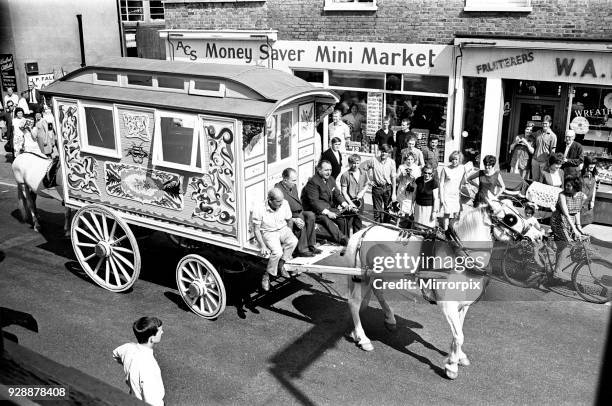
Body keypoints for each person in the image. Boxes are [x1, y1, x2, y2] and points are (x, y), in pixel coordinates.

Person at [113, 316, 165, 406]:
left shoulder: (128, 348)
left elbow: (115, 354)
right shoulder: (149, 367)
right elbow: (153, 401)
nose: (162, 332)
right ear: (151, 339)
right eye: (160, 331)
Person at [252, 188, 297, 291]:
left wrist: (289, 233)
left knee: (293, 241)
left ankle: (281, 265)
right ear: (270, 200)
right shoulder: (259, 208)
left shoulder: (284, 203)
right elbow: (257, 230)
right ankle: (267, 275)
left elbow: (289, 220)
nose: (281, 204)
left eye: (282, 200)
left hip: (282, 228)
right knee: (277, 252)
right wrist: (263, 245)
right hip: (269, 232)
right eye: (278, 202)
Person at [301, 160, 350, 245]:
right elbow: (314, 202)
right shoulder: (313, 182)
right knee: (325, 219)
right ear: (319, 170)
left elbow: (337, 194)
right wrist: (328, 213)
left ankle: (345, 239)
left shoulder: (331, 179)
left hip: (327, 208)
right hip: (315, 211)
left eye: (330, 170)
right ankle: (341, 239)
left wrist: (345, 204)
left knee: (342, 218)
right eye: (326, 170)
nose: (329, 172)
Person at [275, 168, 320, 257]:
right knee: (301, 219)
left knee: (310, 215)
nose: (295, 182)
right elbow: (278, 212)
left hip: (299, 212)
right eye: (293, 180)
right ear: (285, 180)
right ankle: (302, 249)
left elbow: (298, 202)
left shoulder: (293, 186)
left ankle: (311, 244)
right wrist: (294, 219)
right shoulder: (278, 190)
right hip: (289, 216)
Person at [550, 176, 587, 279]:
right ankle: (557, 271)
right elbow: (566, 213)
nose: (566, 186)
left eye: (569, 185)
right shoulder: (562, 195)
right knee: (567, 243)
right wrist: (574, 229)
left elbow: (577, 211)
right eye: (566, 184)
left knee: (562, 246)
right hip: (558, 221)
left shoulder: (582, 196)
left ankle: (555, 270)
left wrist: (579, 227)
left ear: (575, 186)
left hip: (570, 222)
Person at [363, 144, 397, 223]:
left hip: (387, 187)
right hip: (377, 188)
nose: (383, 153)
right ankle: (377, 225)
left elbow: (393, 178)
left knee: (387, 210)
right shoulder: (374, 160)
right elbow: (364, 168)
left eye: (385, 152)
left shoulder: (392, 162)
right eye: (382, 151)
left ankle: (385, 226)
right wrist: (368, 181)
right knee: (377, 211)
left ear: (388, 153)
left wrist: (394, 193)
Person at [340, 154, 368, 234]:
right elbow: (344, 192)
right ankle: (347, 241)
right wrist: (351, 204)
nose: (355, 165)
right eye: (353, 163)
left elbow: (366, 184)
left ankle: (356, 240)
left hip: (360, 201)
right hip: (349, 202)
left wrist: (362, 193)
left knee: (358, 222)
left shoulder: (363, 173)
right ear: (349, 163)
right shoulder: (345, 175)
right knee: (348, 223)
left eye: (357, 163)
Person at [439, 151, 466, 230]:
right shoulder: (445, 169)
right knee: (447, 213)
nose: (454, 161)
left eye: (456, 159)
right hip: (446, 194)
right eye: (453, 159)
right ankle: (446, 230)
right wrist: (441, 197)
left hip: (456, 194)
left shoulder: (462, 168)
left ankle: (454, 230)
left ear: (459, 160)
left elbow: (464, 180)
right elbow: (441, 183)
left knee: (456, 214)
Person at [409, 163, 439, 228]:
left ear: (432, 173)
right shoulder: (418, 180)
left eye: (429, 173)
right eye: (425, 172)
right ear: (423, 172)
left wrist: (434, 212)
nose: (427, 175)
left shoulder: (434, 183)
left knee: (427, 227)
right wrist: (411, 206)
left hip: (428, 209)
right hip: (418, 207)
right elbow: (414, 193)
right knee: (417, 226)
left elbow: (436, 199)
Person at [523, 203, 546, 268]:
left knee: (538, 247)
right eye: (526, 212)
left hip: (533, 235)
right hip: (527, 235)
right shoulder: (523, 219)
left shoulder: (533, 219)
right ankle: (538, 260)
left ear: (532, 214)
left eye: (529, 213)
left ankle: (540, 260)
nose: (527, 214)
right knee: (535, 248)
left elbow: (538, 227)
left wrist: (541, 229)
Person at [580, 156, 598, 226]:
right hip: (581, 201)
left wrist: (592, 201)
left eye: (593, 165)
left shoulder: (594, 175)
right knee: (578, 221)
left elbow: (594, 189)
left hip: (589, 201)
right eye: (590, 165)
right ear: (586, 164)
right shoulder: (580, 174)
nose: (592, 167)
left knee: (587, 220)